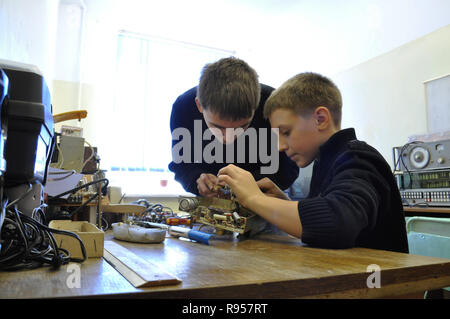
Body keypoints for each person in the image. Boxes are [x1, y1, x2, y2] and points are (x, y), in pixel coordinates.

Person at [218, 72, 409, 253]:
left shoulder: (358, 158)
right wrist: (283, 204)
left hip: (377, 282)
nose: (279, 146)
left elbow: (337, 224)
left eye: (285, 132)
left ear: (321, 119)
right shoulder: (326, 161)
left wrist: (253, 198)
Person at [169, 57, 299, 196]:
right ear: (199, 106)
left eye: (242, 126)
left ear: (256, 107)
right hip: (212, 201)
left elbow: (289, 169)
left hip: (265, 198)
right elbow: (181, 165)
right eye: (218, 127)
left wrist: (249, 186)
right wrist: (197, 180)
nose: (229, 138)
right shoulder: (183, 108)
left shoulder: (276, 107)